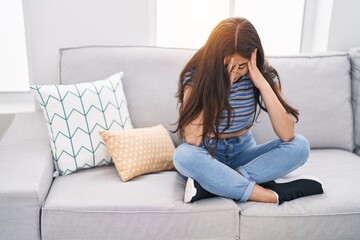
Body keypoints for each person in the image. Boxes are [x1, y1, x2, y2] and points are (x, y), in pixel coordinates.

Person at [172, 17, 324, 204]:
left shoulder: (263, 77)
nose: (234, 73)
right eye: (227, 65)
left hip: (243, 153)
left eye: (241, 66)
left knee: (300, 146)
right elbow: (193, 140)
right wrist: (220, 89)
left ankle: (216, 185)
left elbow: (287, 134)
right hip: (207, 153)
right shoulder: (195, 77)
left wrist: (263, 84)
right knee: (182, 155)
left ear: (253, 58)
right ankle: (268, 194)